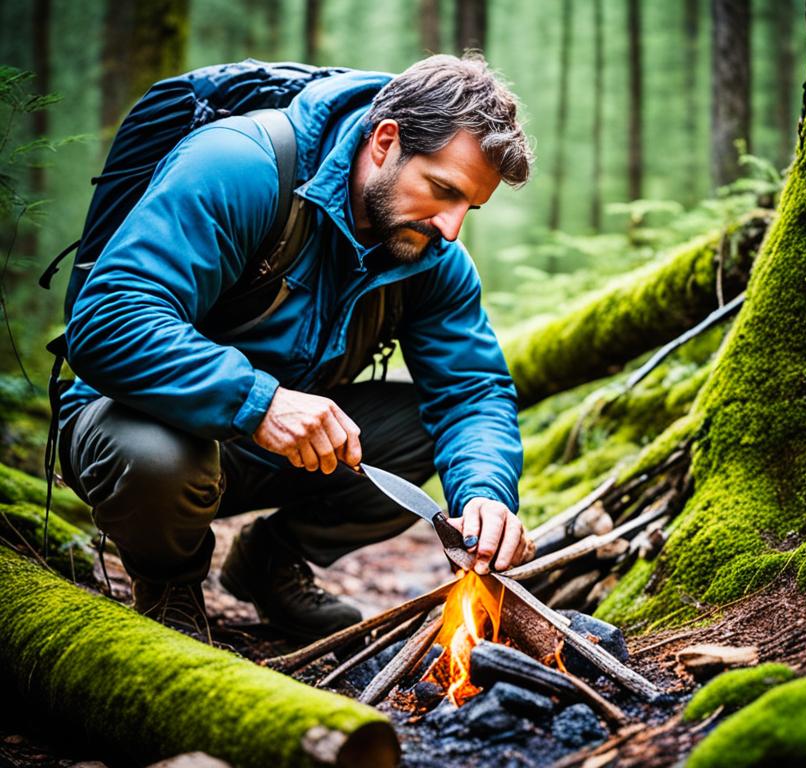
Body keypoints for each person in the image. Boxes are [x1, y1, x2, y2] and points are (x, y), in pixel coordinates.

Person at [57, 53, 536, 642]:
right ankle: (169, 583)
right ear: (385, 141)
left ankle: (268, 562)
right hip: (140, 424)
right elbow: (109, 318)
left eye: (470, 207)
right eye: (442, 190)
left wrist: (487, 495)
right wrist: (259, 401)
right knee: (161, 457)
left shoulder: (430, 258)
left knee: (425, 431)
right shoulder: (243, 166)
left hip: (274, 440)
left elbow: (473, 390)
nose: (452, 227)